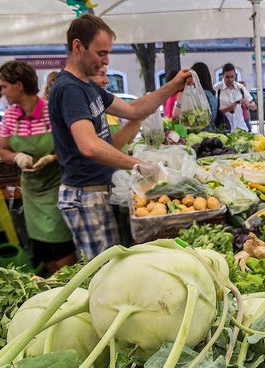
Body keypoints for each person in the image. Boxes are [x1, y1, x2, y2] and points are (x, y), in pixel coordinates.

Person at [48, 14, 192, 258]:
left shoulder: (88, 86)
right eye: (101, 52)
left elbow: (134, 110)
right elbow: (89, 146)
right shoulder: (69, 89)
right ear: (77, 46)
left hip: (98, 193)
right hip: (85, 197)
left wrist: (173, 86)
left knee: (112, 263)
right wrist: (139, 164)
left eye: (108, 53)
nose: (105, 61)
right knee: (102, 270)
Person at [0, 61, 77, 274]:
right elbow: (3, 150)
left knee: (61, 245)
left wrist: (51, 158)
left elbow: (72, 146)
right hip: (31, 190)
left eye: (4, 86)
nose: (2, 92)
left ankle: (68, 288)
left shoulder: (52, 111)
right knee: (43, 249)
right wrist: (16, 158)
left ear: (19, 85)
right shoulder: (10, 116)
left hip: (57, 187)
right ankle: (55, 285)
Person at [91, 68, 143, 153]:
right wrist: (138, 114)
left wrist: (137, 118)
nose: (107, 81)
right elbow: (110, 148)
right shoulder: (89, 111)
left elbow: (128, 141)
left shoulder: (108, 108)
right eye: (101, 74)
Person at [173, 62, 218, 132]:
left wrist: (179, 100)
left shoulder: (198, 95)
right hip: (213, 131)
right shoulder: (212, 94)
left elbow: (176, 115)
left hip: (199, 134)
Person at [213, 63, 256, 132]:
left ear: (235, 75)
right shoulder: (217, 89)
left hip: (241, 129)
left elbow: (254, 106)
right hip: (224, 130)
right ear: (222, 75)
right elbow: (213, 112)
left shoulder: (240, 88)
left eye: (232, 76)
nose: (230, 79)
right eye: (227, 77)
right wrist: (227, 108)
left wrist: (248, 104)